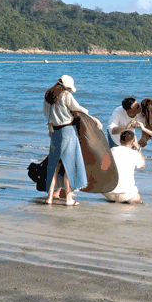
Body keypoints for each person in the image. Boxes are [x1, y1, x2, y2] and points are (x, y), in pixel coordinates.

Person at [42, 74, 93, 206]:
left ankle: (49, 198)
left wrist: (50, 129)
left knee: (54, 166)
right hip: (67, 131)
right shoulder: (66, 95)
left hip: (54, 132)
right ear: (67, 87)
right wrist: (93, 119)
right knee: (69, 165)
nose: (70, 91)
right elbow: (78, 108)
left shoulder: (48, 95)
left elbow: (47, 115)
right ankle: (69, 199)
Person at [104, 130, 144, 204]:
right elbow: (142, 165)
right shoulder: (134, 153)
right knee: (137, 196)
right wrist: (137, 147)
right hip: (125, 194)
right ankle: (128, 201)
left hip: (109, 193)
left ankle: (113, 199)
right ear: (133, 141)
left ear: (120, 140)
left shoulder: (112, 150)